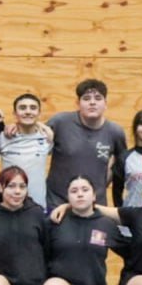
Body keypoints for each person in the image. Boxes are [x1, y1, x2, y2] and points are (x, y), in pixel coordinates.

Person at [46, 79, 126, 208]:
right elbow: (32, 138)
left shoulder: (115, 132)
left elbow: (121, 165)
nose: (92, 102)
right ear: (78, 103)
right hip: (56, 203)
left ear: (105, 104)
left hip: (95, 205)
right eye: (86, 98)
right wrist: (15, 127)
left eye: (98, 98)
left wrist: (103, 183)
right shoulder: (59, 122)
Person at [0, 92, 53, 208]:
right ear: (14, 113)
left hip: (37, 207)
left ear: (39, 113)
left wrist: (43, 126)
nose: (28, 111)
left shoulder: (47, 137)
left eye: (33, 108)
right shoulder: (3, 137)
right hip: (9, 206)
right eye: (22, 108)